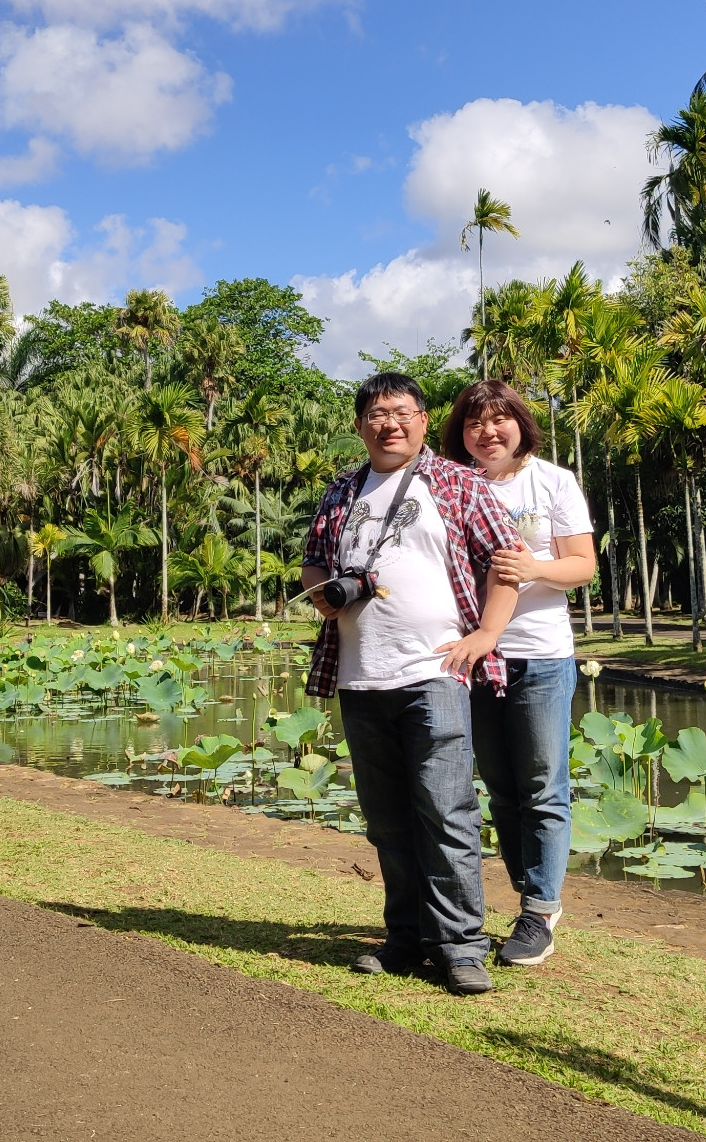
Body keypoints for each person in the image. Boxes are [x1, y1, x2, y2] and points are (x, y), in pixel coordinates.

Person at [301, 371, 523, 996]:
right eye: (376, 413)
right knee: (388, 819)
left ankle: (460, 946)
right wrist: (325, 592)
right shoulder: (342, 490)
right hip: (360, 674)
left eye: (400, 412)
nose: (388, 423)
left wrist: (485, 636)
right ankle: (404, 938)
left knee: (446, 810)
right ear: (360, 425)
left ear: (423, 420)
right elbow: (314, 559)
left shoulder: (456, 482)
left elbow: (504, 561)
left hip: (435, 673)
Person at [442, 379, 596, 968]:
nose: (488, 432)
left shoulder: (553, 481)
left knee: (543, 783)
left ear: (520, 424)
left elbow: (583, 565)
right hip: (475, 657)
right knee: (502, 788)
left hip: (540, 652)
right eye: (475, 422)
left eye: (499, 419)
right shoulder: (451, 482)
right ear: (461, 431)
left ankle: (539, 910)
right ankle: (528, 902)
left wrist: (535, 566)